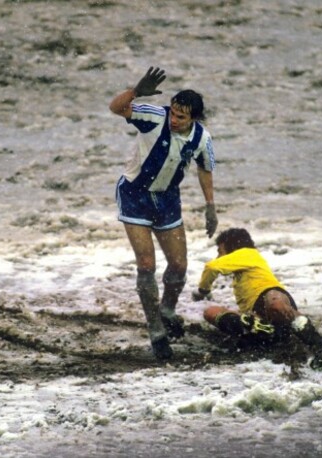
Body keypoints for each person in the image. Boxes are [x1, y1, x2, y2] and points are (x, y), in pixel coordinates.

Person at [109, 67, 218, 360]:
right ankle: (156, 330)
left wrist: (210, 207)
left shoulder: (202, 138)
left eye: (181, 117)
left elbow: (205, 169)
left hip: (168, 200)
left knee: (179, 267)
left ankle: (167, 310)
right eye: (174, 113)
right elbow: (116, 108)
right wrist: (135, 91)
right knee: (146, 265)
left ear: (194, 118)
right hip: (135, 197)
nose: (174, 120)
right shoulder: (154, 117)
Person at [192, 228, 322, 369]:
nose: (219, 257)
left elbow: (211, 267)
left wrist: (203, 290)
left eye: (220, 252)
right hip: (257, 317)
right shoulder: (242, 270)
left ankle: (320, 346)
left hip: (270, 297)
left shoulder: (247, 253)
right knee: (210, 312)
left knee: (275, 304)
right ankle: (256, 328)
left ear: (233, 248)